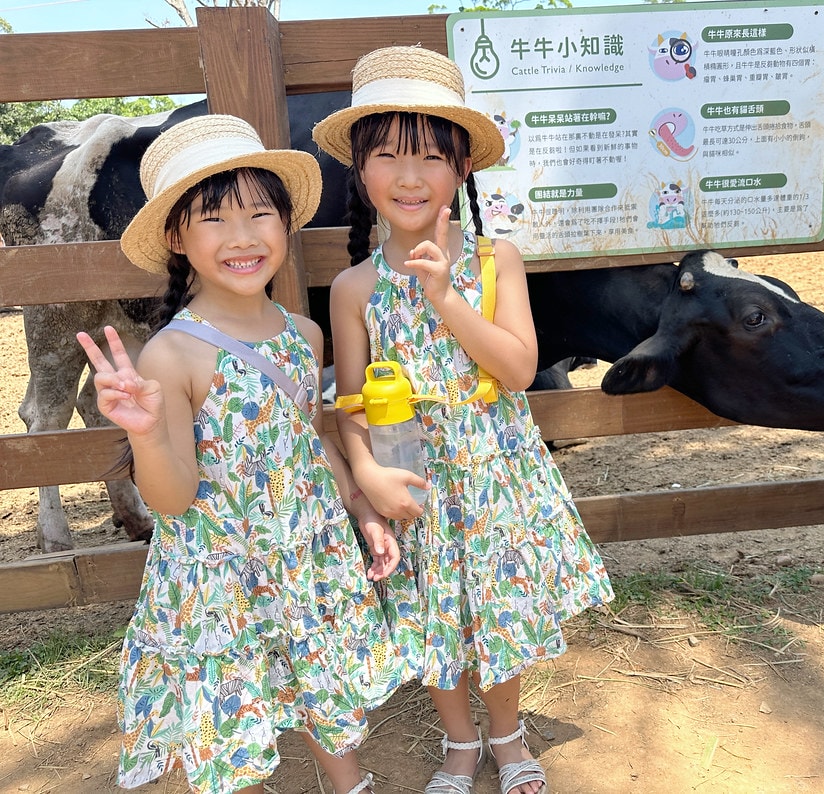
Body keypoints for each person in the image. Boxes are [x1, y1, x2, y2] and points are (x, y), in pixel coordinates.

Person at [76, 114, 411, 794]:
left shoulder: (302, 333)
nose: (242, 237)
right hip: (222, 581)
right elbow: (172, 499)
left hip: (306, 558)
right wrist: (146, 433)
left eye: (260, 213)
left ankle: (350, 785)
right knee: (233, 723)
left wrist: (361, 509)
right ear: (176, 238)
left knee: (324, 685)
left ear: (285, 223)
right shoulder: (173, 353)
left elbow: (311, 438)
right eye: (214, 220)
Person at [313, 47, 615, 794]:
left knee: (498, 609)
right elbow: (349, 405)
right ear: (360, 171)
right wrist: (369, 474)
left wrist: (447, 297)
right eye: (387, 156)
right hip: (410, 477)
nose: (409, 176)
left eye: (431, 157)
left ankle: (507, 737)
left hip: (494, 472)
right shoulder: (353, 288)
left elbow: (518, 369)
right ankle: (459, 741)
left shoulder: (494, 260)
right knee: (432, 613)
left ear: (463, 169)